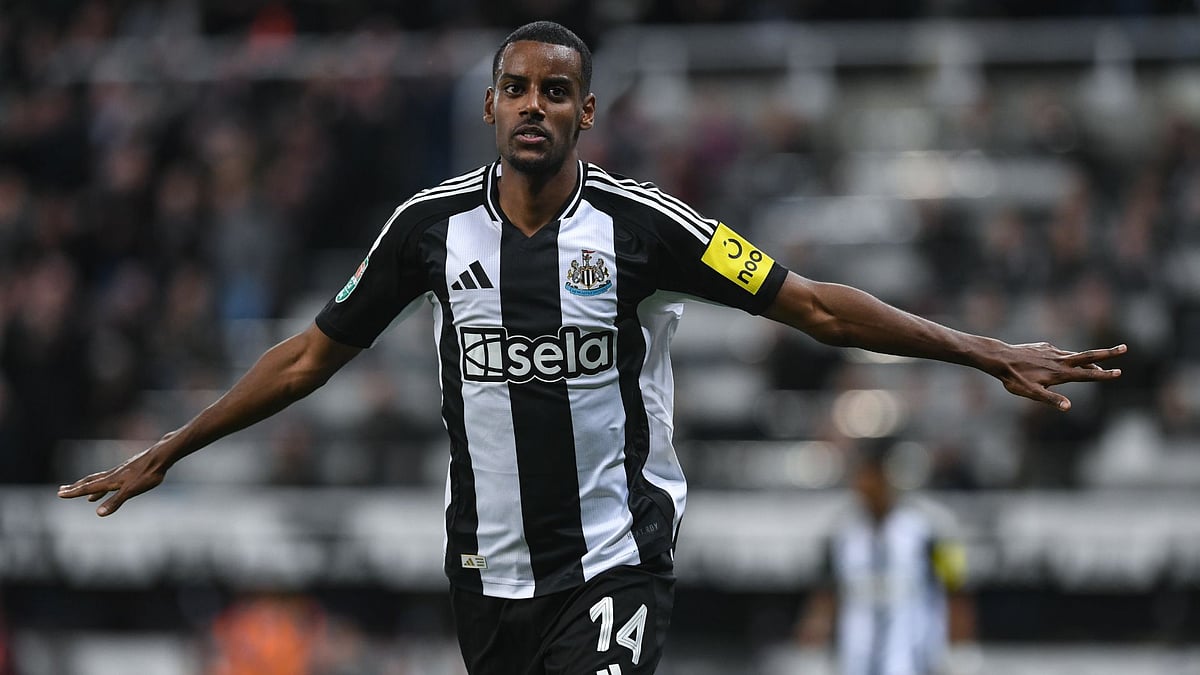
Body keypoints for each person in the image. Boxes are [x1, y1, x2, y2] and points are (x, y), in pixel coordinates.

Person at [58, 21, 1126, 675]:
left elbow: (817, 308)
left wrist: (981, 350)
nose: (535, 106)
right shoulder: (425, 230)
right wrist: (173, 448)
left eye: (555, 91)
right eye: (517, 89)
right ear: (488, 107)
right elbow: (307, 360)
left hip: (616, 558)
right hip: (487, 571)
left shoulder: (645, 228)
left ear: (587, 112)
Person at [795, 439, 973, 675]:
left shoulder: (936, 525)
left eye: (870, 476)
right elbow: (825, 593)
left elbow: (958, 588)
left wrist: (960, 649)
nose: (863, 485)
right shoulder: (839, 531)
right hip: (855, 659)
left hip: (916, 658)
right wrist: (814, 632)